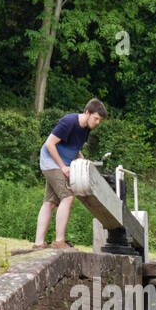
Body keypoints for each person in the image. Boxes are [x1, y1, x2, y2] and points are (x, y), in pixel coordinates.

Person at [34, 99, 107, 249]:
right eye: (96, 118)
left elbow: (75, 149)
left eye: (100, 120)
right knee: (67, 198)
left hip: (60, 163)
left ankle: (38, 243)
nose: (98, 122)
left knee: (50, 202)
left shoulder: (86, 129)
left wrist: (85, 163)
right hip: (50, 161)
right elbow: (49, 144)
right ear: (87, 113)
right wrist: (63, 167)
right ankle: (59, 241)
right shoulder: (68, 122)